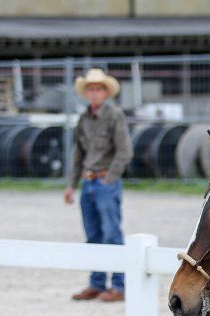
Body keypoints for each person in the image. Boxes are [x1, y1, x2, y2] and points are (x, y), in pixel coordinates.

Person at [64, 68, 133, 302]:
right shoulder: (83, 119)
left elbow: (124, 151)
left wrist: (109, 178)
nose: (94, 93)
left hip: (105, 182)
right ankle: (96, 282)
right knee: (92, 234)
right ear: (87, 93)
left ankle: (119, 285)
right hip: (88, 181)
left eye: (98, 89)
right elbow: (78, 154)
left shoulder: (115, 116)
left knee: (111, 233)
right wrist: (71, 185)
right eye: (91, 89)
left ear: (105, 92)